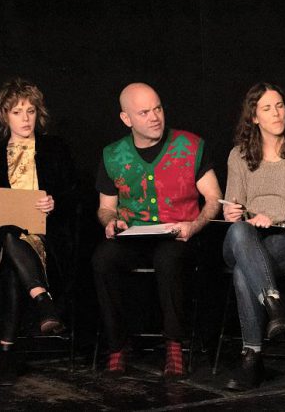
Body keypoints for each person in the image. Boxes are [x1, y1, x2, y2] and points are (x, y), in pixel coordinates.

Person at [92, 82, 222, 378]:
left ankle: (174, 346)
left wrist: (195, 224)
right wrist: (110, 222)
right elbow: (106, 207)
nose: (155, 117)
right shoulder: (113, 154)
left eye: (158, 108)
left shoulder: (190, 145)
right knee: (102, 260)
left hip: (178, 234)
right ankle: (117, 346)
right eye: (144, 112)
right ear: (127, 119)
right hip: (134, 236)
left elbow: (214, 197)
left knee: (168, 258)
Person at [0, 78, 75, 385]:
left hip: (47, 239)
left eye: (30, 110)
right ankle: (43, 301)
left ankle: (5, 351)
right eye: (17, 112)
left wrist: (54, 202)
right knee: (11, 235)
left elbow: (73, 195)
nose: (25, 118)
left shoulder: (54, 148)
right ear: (5, 115)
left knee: (16, 263)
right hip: (0, 244)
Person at [221, 82, 285, 391]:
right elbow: (233, 203)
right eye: (267, 108)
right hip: (245, 236)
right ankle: (274, 305)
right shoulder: (238, 156)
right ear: (254, 116)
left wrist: (273, 217)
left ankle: (252, 357)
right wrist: (234, 213)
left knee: (243, 269)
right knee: (239, 231)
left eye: (280, 106)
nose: (276, 113)